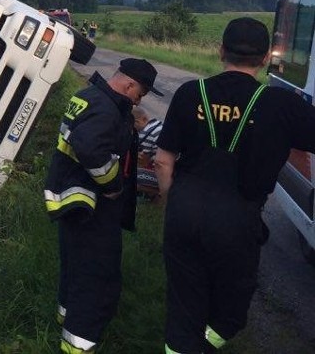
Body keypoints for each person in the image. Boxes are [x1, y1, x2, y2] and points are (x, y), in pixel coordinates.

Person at [155, 17, 315, 353]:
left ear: (220, 51)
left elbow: (162, 160)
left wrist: (172, 203)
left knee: (184, 303)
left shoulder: (189, 93)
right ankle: (207, 343)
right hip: (236, 221)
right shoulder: (283, 105)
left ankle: (186, 345)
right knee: (232, 306)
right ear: (266, 58)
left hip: (184, 211)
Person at [44, 57, 163, 353]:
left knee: (75, 267)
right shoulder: (106, 109)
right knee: (96, 277)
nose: (140, 100)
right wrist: (111, 186)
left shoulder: (88, 96)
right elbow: (90, 148)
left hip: (74, 202)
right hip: (92, 207)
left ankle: (67, 319)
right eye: (142, 93)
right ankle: (79, 345)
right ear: (129, 84)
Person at [133, 106, 164, 199]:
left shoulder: (145, 134)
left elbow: (143, 161)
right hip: (176, 170)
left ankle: (160, 193)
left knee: (133, 176)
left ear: (140, 121)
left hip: (166, 175)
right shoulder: (158, 124)